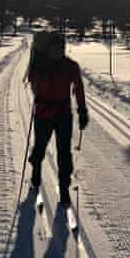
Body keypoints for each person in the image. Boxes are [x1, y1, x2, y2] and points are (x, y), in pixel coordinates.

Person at [26, 32, 88, 206]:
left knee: (64, 153)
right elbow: (31, 81)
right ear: (48, 49)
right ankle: (36, 168)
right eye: (54, 48)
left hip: (63, 115)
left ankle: (64, 188)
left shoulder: (71, 66)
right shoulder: (40, 65)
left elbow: (79, 88)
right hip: (43, 113)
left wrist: (82, 110)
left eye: (60, 48)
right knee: (40, 146)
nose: (58, 51)